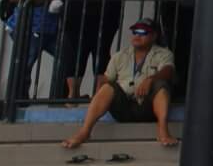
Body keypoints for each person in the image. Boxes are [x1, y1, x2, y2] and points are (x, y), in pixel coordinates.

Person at [60, 19, 178, 150]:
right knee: (107, 87)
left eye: (143, 32)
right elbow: (106, 79)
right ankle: (84, 132)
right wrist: (98, 95)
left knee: (160, 85)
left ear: (154, 36)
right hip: (125, 107)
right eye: (135, 31)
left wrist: (150, 80)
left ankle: (163, 131)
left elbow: (169, 71)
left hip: (148, 107)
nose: (137, 35)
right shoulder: (119, 56)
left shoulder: (163, 54)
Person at [5, 0, 68, 99]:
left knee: (68, 58)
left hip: (52, 28)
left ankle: (58, 98)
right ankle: (18, 102)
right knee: (24, 66)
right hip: (29, 26)